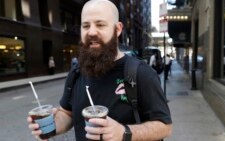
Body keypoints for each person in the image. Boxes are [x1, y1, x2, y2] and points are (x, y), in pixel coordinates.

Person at [27, 0, 172, 141]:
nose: (91, 32)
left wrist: (124, 132)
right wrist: (53, 124)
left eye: (100, 24)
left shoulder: (141, 73)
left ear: (118, 29)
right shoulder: (76, 72)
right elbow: (68, 113)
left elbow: (164, 126)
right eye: (86, 26)